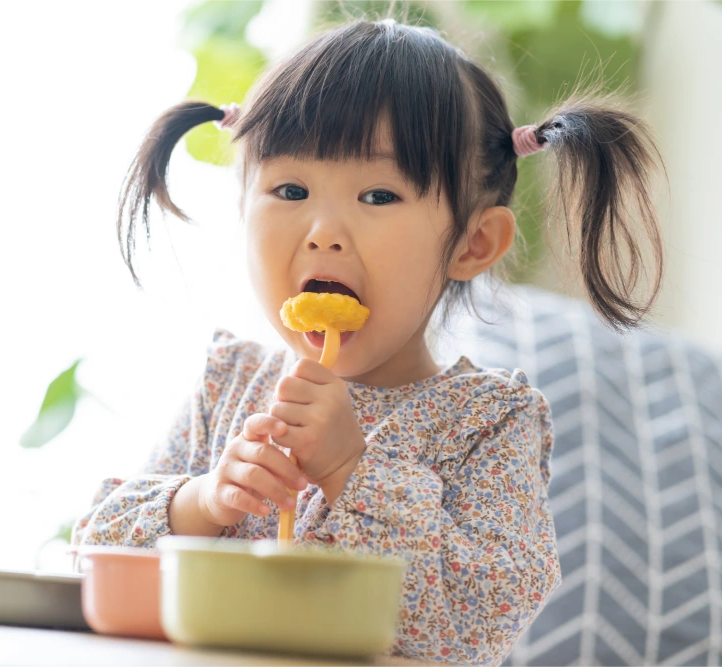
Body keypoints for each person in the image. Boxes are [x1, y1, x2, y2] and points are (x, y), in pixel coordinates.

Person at [72, 16, 664, 666]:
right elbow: (94, 554)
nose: (324, 229)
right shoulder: (229, 383)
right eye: (289, 189)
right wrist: (204, 500)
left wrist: (351, 472)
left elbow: (470, 624)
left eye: (378, 194)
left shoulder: (489, 424)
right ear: (243, 207)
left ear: (473, 243)